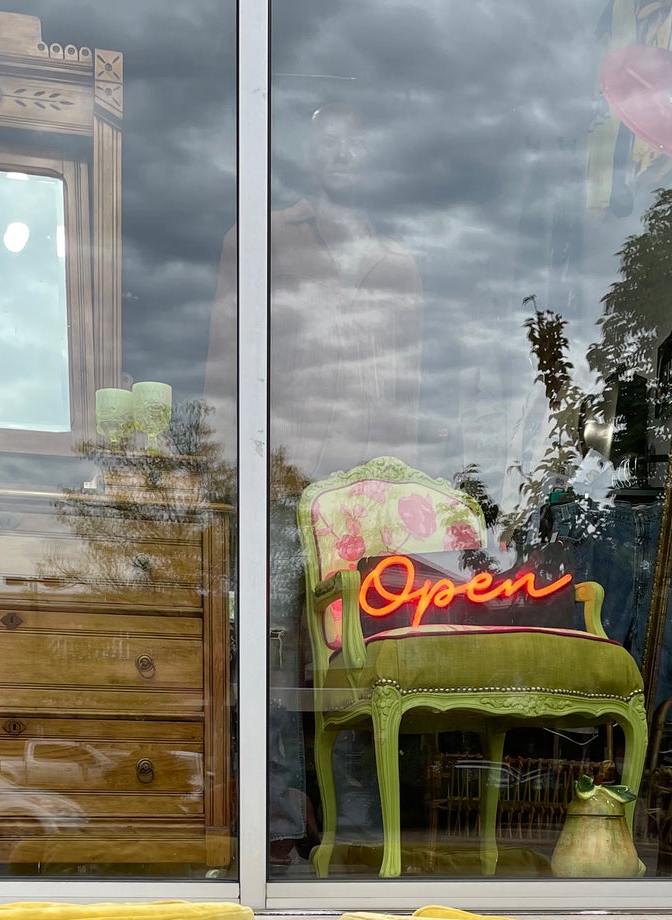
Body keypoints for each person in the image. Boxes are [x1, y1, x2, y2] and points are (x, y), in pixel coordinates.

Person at [207, 103, 424, 863]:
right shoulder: (258, 240)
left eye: (354, 135)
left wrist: (400, 507)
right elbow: (225, 371)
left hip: (361, 508)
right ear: (303, 149)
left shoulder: (395, 262)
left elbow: (407, 396)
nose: (340, 149)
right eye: (326, 136)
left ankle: (357, 840)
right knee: (269, 662)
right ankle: (275, 832)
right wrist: (228, 477)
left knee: (354, 669)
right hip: (276, 486)